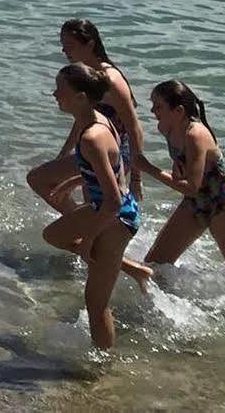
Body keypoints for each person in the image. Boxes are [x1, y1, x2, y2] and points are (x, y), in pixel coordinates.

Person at [41, 63, 146, 347]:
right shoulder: (99, 120)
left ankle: (100, 375)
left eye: (60, 90)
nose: (54, 94)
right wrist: (74, 181)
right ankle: (133, 268)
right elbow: (113, 168)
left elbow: (113, 200)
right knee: (52, 235)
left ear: (81, 97)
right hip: (111, 210)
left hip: (116, 217)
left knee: (96, 303)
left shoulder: (91, 137)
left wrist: (87, 240)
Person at [27, 18, 147, 213]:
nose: (64, 51)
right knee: (94, 208)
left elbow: (135, 128)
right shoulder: (85, 75)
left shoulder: (112, 80)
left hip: (115, 152)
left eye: (70, 46)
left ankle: (80, 229)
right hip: (93, 148)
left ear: (90, 44)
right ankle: (85, 231)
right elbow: (82, 120)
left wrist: (136, 178)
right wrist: (63, 154)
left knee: (38, 178)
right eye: (63, 46)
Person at [141, 79, 225, 275]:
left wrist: (148, 168)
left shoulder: (195, 134)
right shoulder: (166, 129)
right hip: (194, 203)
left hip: (221, 204)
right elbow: (182, 169)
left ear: (179, 111)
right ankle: (173, 305)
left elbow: (192, 186)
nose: (152, 111)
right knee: (155, 264)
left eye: (158, 106)